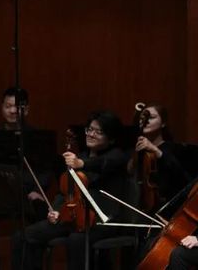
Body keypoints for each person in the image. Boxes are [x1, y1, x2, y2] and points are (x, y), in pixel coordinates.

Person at [11, 110, 128, 270]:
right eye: (89, 129)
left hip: (103, 221)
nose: (91, 134)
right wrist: (56, 210)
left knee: (76, 239)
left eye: (98, 132)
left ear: (111, 138)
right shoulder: (82, 156)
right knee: (23, 236)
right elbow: (65, 192)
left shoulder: (117, 156)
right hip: (73, 218)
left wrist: (82, 164)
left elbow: (104, 163)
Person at [128, 103, 191, 215]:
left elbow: (183, 178)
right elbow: (129, 172)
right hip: (141, 205)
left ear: (163, 123)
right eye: (142, 118)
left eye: (151, 117)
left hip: (168, 208)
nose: (145, 121)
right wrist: (135, 156)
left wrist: (155, 150)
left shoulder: (174, 148)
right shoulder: (138, 149)